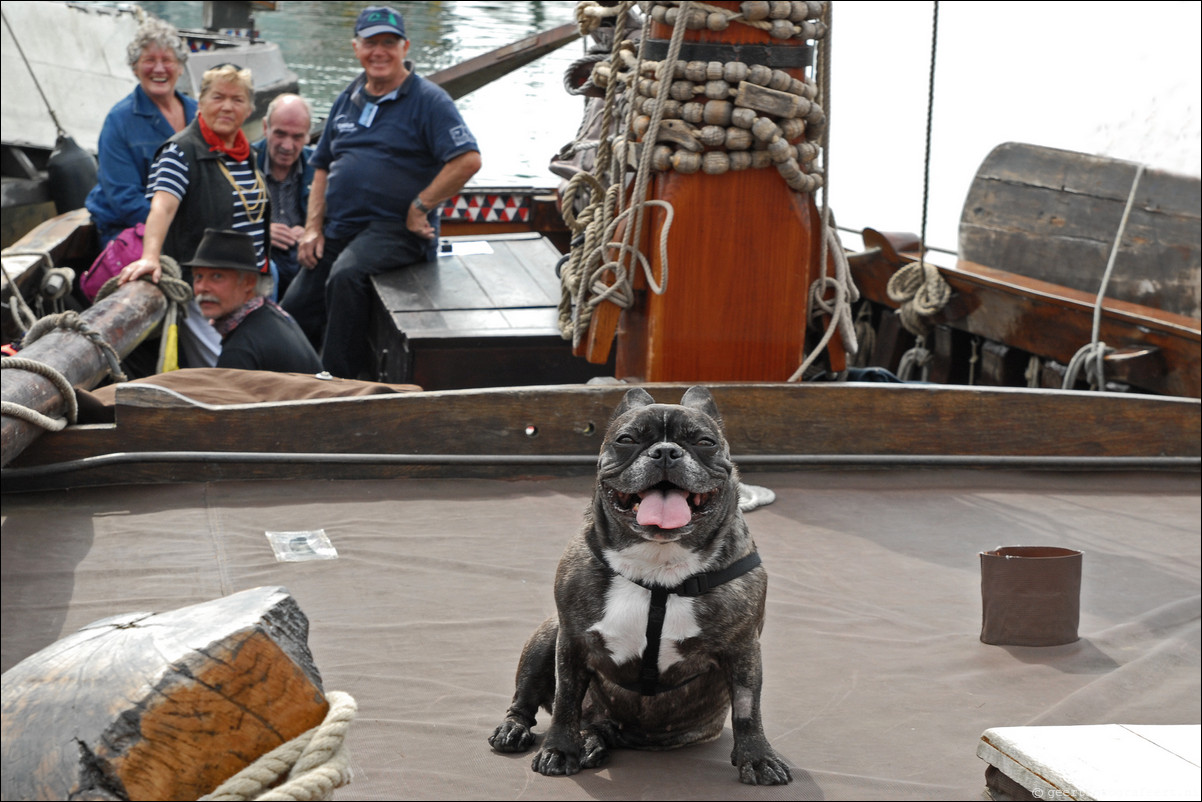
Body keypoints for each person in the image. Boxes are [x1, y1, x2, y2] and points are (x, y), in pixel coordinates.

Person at [282, 5, 482, 380]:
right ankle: (283, 379)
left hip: (395, 230)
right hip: (341, 228)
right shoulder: (349, 97)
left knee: (345, 276)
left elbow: (467, 161)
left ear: (405, 47)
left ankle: (341, 382)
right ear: (356, 48)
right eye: (371, 43)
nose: (380, 52)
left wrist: (420, 207)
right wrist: (312, 228)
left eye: (389, 43)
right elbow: (322, 165)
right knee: (292, 308)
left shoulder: (429, 100)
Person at [117, 64, 270, 371]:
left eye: (237, 99)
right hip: (208, 288)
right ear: (200, 103)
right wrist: (151, 256)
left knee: (255, 362)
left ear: (250, 109)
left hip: (252, 279)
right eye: (218, 97)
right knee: (225, 369)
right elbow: (162, 207)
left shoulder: (247, 153)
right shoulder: (181, 151)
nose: (227, 106)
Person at [84, 17, 198, 248]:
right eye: (149, 60)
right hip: (130, 230)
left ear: (180, 67)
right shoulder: (119, 121)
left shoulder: (198, 114)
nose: (158, 68)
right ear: (135, 68)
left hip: (190, 229)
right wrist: (182, 227)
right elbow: (125, 200)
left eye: (167, 60)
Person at [186, 228, 322, 373]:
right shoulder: (269, 315)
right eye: (198, 276)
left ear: (249, 282)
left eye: (217, 276)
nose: (202, 287)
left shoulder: (241, 349)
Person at [251, 93, 315, 299]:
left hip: (304, 255)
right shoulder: (243, 164)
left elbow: (339, 216)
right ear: (265, 128)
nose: (287, 146)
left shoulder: (319, 168)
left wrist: (311, 230)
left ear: (308, 136)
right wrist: (262, 230)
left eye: (297, 137)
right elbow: (223, 218)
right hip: (260, 254)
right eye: (280, 134)